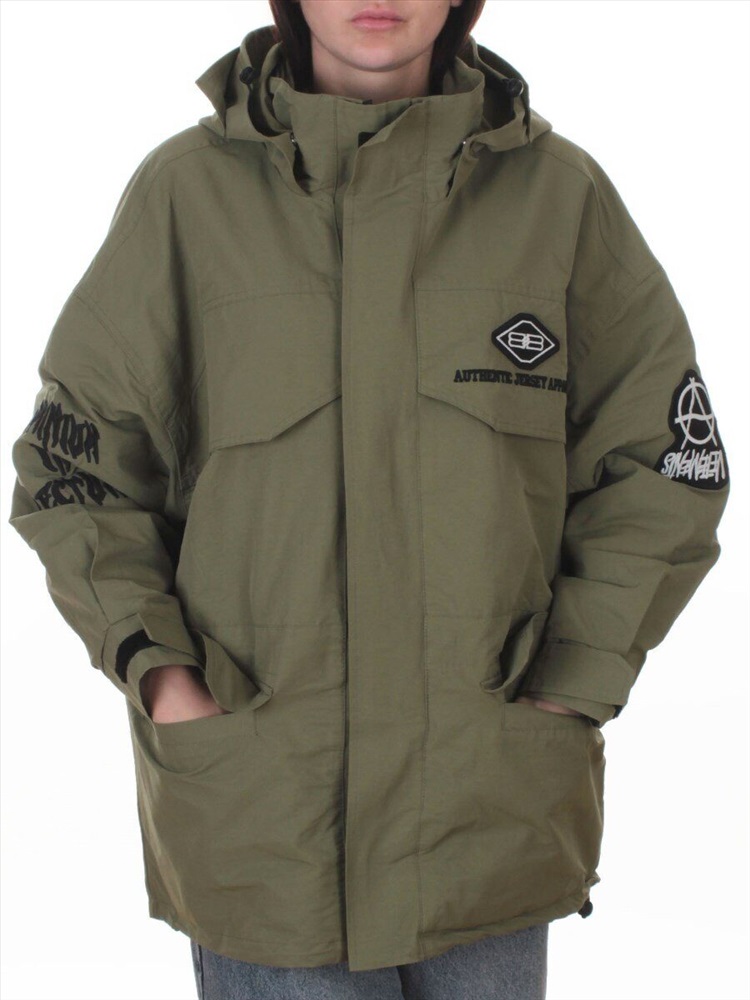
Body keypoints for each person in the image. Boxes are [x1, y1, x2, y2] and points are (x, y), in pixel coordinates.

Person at [7, 1, 730, 998]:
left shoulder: (558, 198)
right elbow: (75, 472)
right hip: (266, 822)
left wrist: (573, 679)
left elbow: (666, 460)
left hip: (489, 819)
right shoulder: (186, 195)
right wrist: (164, 676)